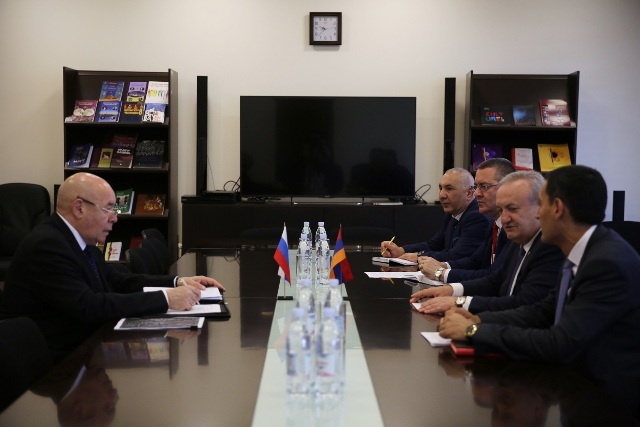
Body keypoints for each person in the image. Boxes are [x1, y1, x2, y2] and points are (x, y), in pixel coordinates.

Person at [439, 165, 640, 419]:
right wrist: (479, 319)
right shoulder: (584, 250)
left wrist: (473, 331)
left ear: (557, 208)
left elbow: (560, 343)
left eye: (541, 205)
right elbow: (541, 311)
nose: (538, 213)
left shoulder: (606, 263)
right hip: (575, 390)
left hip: (605, 407)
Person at [0, 172, 226, 362]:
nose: (115, 218)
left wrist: (177, 282)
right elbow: (88, 306)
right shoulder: (48, 245)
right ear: (79, 208)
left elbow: (116, 280)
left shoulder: (76, 238)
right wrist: (166, 299)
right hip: (53, 363)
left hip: (82, 346)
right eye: (108, 209)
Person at [411, 171, 564, 314]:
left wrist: (465, 312)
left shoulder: (550, 248)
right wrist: (452, 290)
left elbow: (525, 307)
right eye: (501, 210)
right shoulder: (518, 238)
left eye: (512, 209)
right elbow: (496, 280)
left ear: (541, 208)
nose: (505, 219)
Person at [417, 158, 516, 282]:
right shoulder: (495, 224)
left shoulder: (514, 229)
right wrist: (443, 266)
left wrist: (440, 273)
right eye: (476, 187)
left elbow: (494, 277)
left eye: (484, 186)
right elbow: (475, 261)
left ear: (508, 188)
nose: (476, 193)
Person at [380, 168, 489, 263]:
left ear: (469, 193)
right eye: (441, 188)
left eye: (449, 188)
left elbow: (456, 256)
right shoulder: (452, 213)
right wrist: (402, 250)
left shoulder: (477, 217)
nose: (441, 195)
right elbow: (434, 245)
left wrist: (418, 258)